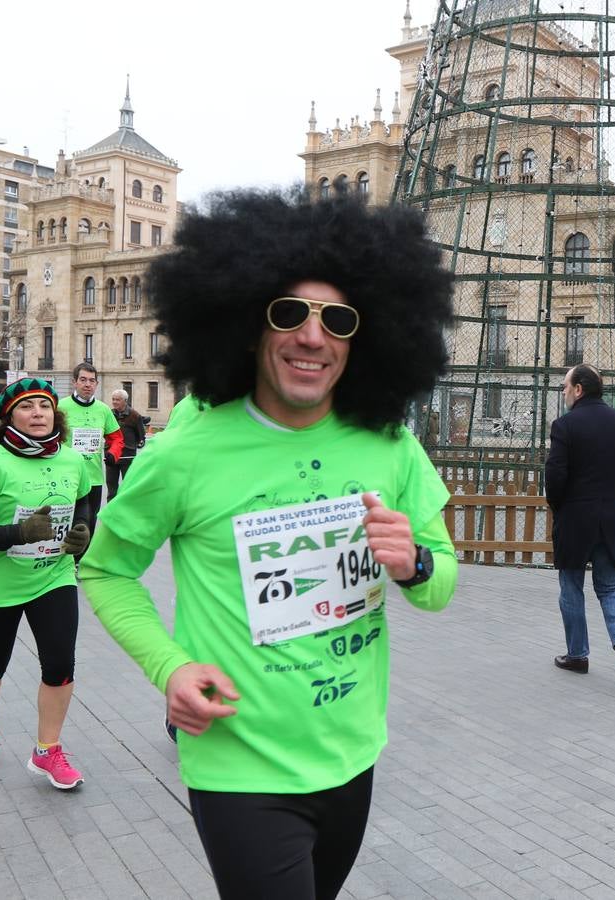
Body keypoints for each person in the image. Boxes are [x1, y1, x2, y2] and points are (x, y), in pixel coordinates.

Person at [81, 187, 459, 900]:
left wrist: (415, 563)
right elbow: (105, 571)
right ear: (249, 327)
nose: (313, 338)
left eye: (337, 320)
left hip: (352, 754)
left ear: (364, 338)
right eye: (290, 313)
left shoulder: (389, 445)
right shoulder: (186, 453)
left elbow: (441, 589)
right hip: (239, 763)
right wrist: (169, 669)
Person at [0, 378, 93, 786]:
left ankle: (47, 750)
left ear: (56, 414)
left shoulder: (71, 459)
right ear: (9, 415)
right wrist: (18, 534)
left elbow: (83, 502)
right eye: (27, 407)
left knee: (60, 665)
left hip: (53, 577)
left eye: (45, 407)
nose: (38, 414)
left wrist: (82, 533)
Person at [546, 364, 615, 688]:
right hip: (612, 519)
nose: (563, 393)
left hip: (576, 520)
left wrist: (560, 505)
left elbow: (555, 476)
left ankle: (577, 654)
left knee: (571, 587)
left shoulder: (565, 426)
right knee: (609, 588)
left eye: (565, 387)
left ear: (578, 390)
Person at [58, 363, 123, 537]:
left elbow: (116, 438)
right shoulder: (59, 407)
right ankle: (67, 560)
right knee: (67, 521)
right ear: (74, 382)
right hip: (66, 476)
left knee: (89, 523)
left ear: (96, 384)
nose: (88, 384)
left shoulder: (103, 410)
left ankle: (80, 561)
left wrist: (112, 454)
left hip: (93, 479)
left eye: (92, 381)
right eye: (83, 380)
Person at [105, 389, 149, 501]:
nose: (114, 402)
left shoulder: (134, 416)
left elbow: (141, 436)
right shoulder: (109, 414)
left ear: (125, 401)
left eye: (117, 400)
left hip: (127, 456)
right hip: (111, 456)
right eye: (113, 399)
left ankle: (126, 513)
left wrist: (136, 444)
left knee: (128, 487)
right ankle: (111, 514)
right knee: (111, 489)